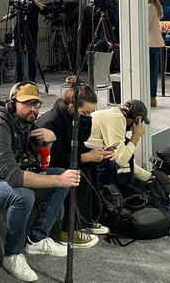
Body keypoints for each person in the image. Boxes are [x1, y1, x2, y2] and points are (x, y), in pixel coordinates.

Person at [0, 82, 81, 282]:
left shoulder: (25, 122)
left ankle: (37, 238)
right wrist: (58, 180)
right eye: (27, 103)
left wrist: (49, 142)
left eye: (36, 104)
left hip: (5, 176)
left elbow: (38, 164)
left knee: (62, 175)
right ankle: (12, 254)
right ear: (12, 104)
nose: (33, 109)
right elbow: (14, 177)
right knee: (23, 195)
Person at [36, 76, 114, 249]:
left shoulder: (71, 116)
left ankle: (88, 219)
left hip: (64, 156)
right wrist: (86, 156)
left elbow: (78, 143)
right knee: (80, 174)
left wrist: (94, 152)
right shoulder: (52, 122)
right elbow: (55, 158)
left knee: (94, 165)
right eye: (85, 113)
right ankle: (68, 230)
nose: (88, 116)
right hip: (47, 165)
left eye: (91, 113)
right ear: (72, 107)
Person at [85, 99, 170, 184]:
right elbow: (121, 160)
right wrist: (135, 138)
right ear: (138, 119)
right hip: (89, 159)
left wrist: (151, 177)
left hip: (91, 156)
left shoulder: (115, 115)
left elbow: (127, 162)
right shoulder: (116, 119)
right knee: (125, 148)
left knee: (125, 147)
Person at [2, 0, 46, 82]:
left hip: (31, 31)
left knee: (31, 57)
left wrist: (33, 0)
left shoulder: (34, 2)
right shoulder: (18, 2)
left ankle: (32, 80)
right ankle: (19, 80)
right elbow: (14, 12)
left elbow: (44, 10)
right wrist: (8, 17)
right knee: (18, 57)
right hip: (19, 30)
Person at [147, 0, 165, 107]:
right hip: (156, 43)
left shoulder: (149, 7)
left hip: (150, 43)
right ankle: (152, 97)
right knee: (153, 71)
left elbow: (145, 25)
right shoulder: (156, 7)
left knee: (151, 72)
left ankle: (151, 97)